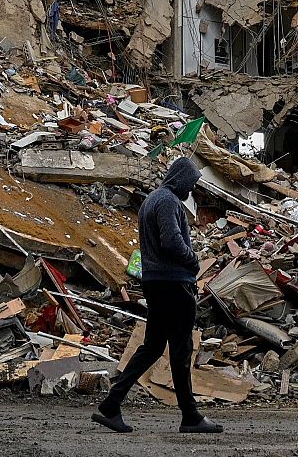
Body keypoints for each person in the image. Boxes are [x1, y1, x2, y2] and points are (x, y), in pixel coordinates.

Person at [92, 156, 223, 434]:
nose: (191, 189)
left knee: (152, 347)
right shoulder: (167, 201)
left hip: (156, 283)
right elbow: (171, 240)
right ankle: (190, 416)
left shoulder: (152, 199)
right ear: (181, 179)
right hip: (173, 284)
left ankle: (110, 404)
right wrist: (193, 260)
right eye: (191, 182)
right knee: (180, 349)